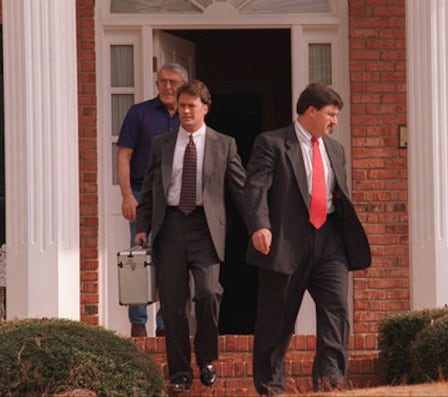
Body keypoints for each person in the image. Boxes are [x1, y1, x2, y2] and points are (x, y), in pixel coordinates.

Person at [245, 82, 372, 395]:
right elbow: (255, 187)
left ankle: (332, 379)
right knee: (277, 320)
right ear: (311, 111)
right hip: (286, 242)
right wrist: (259, 225)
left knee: (336, 310)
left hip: (330, 240)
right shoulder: (272, 143)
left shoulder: (335, 150)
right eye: (330, 114)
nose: (335, 121)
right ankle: (271, 387)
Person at [135, 80, 247, 391]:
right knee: (173, 304)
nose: (185, 111)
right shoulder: (162, 144)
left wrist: (260, 225)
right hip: (170, 225)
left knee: (208, 292)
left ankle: (207, 357)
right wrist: (143, 226)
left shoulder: (224, 144)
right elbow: (149, 189)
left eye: (191, 106)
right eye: (181, 106)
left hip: (205, 227)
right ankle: (180, 372)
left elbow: (241, 191)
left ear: (205, 109)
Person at [117, 62, 189, 337]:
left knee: (171, 259)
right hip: (141, 195)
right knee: (139, 257)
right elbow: (124, 155)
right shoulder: (140, 114)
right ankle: (138, 324)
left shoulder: (188, 115)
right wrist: (126, 196)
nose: (168, 87)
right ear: (157, 84)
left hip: (176, 198)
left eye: (173, 82)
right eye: (163, 81)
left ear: (183, 84)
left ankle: (163, 325)